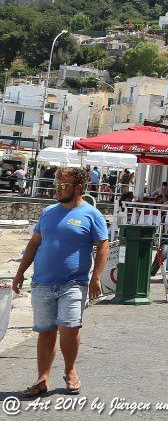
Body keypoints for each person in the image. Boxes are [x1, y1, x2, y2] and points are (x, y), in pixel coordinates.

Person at [12, 167, 110, 397]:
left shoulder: (91, 214)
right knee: (45, 330)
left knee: (70, 326)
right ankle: (42, 379)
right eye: (57, 185)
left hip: (73, 283)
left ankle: (70, 370)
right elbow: (34, 244)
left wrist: (96, 277)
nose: (58, 189)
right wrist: (19, 273)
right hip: (42, 283)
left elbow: (103, 245)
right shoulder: (48, 212)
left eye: (64, 185)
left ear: (78, 188)